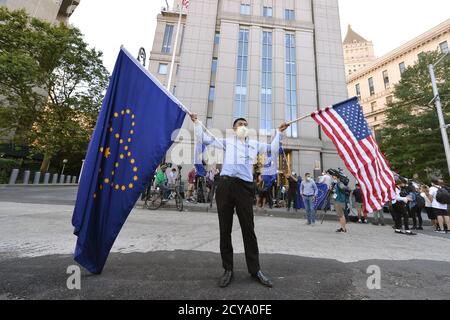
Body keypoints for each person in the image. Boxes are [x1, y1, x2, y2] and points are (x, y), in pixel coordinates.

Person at [191, 113, 289, 288]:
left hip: (244, 187)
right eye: (240, 124)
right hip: (226, 186)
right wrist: (197, 122)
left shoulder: (253, 144)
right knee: (225, 229)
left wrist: (279, 133)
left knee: (248, 229)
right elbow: (203, 138)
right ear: (234, 129)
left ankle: (255, 270)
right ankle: (228, 269)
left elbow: (271, 149)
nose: (243, 126)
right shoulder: (226, 142)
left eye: (245, 124)